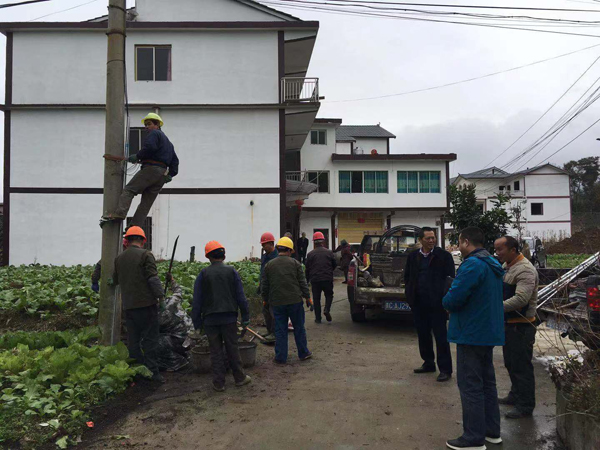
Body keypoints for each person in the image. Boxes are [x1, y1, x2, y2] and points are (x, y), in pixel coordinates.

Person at [442, 227, 505, 450]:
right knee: (487, 384)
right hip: (487, 332)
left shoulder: (472, 265)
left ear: (466, 242)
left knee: (470, 385)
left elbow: (453, 299)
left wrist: (446, 296)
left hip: (471, 333)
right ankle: (491, 431)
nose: (458, 247)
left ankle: (473, 438)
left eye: (459, 243)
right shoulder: (492, 264)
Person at [191, 241, 252, 392]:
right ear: (223, 255)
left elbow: (197, 301)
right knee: (232, 348)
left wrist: (197, 323)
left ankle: (218, 383)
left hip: (210, 320)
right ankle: (239, 378)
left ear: (208, 256)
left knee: (215, 351)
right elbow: (241, 297)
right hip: (229, 318)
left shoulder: (203, 274)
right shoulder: (232, 272)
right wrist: (245, 317)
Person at [103, 113, 179, 227]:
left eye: (149, 124)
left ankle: (119, 213)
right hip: (162, 175)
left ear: (157, 125)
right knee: (146, 203)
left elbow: (150, 147)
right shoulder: (169, 143)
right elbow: (175, 161)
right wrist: (171, 175)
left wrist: (138, 156)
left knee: (129, 190)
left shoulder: (154, 134)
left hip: (151, 169)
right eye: (145, 125)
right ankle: (134, 226)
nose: (146, 127)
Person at [112, 226, 165, 383]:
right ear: (143, 240)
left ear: (127, 241)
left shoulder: (119, 259)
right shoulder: (146, 255)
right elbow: (153, 279)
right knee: (150, 340)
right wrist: (161, 298)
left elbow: (115, 280)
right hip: (147, 305)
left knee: (133, 340)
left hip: (129, 307)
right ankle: (153, 373)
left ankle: (138, 370)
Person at [494, 235, 538, 420]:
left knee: (522, 367)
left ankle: (525, 405)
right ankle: (515, 395)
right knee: (511, 363)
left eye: (500, 250)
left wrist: (494, 307)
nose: (497, 254)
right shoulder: (508, 266)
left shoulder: (525, 270)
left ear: (513, 249)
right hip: (509, 325)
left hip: (521, 327)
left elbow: (521, 299)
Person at [404, 227, 455, 382]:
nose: (431, 240)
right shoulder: (413, 257)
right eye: (428, 238)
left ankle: (445, 369)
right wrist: (410, 295)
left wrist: (445, 298)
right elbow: (408, 277)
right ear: (421, 240)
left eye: (433, 237)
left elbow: (450, 278)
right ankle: (428, 363)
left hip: (437, 304)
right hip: (419, 303)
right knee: (423, 334)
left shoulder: (444, 256)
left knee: (441, 336)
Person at [261, 237, 312, 364]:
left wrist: (265, 301)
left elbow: (265, 286)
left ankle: (280, 357)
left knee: (280, 329)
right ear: (289, 250)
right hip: (295, 302)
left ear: (278, 249)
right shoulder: (295, 264)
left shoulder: (269, 265)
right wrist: (308, 298)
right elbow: (302, 283)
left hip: (277, 303)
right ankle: (303, 353)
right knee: (299, 327)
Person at [305, 231, 337, 323]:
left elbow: (307, 269)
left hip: (315, 279)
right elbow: (334, 265)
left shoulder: (310, 254)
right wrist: (329, 272)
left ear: (314, 242)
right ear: (323, 241)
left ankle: (318, 318)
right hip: (327, 278)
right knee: (329, 295)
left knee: (316, 298)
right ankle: (326, 309)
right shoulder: (329, 252)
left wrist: (307, 280)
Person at [258, 232, 278, 343]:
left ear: (271, 243)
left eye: (264, 244)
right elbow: (262, 272)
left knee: (273, 311)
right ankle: (269, 331)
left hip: (272, 289)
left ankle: (274, 333)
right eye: (262, 245)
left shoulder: (276, 257)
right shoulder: (265, 257)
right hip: (265, 287)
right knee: (265, 311)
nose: (263, 247)